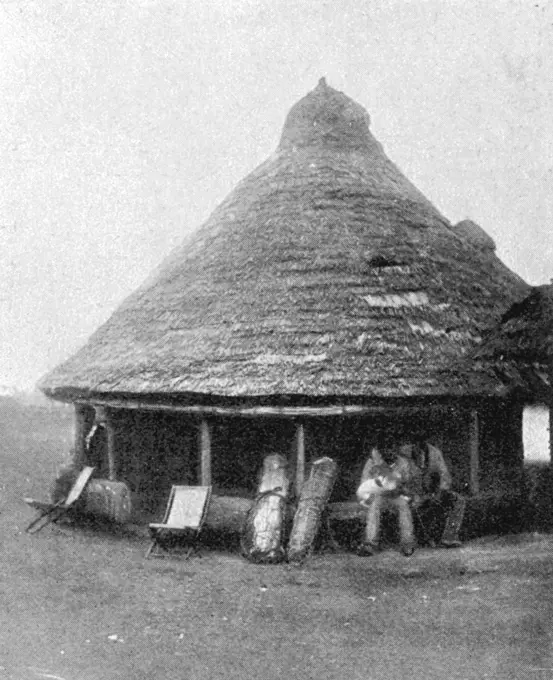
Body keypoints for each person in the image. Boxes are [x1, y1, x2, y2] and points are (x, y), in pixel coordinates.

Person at [400, 439, 466, 549]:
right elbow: (399, 480)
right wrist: (410, 495)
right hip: (411, 495)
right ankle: (414, 538)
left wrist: (439, 492)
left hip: (431, 492)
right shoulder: (403, 453)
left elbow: (444, 476)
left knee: (458, 500)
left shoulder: (435, 453)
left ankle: (449, 537)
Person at [356, 447, 421, 557]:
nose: (389, 452)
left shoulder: (402, 462)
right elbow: (364, 482)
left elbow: (407, 483)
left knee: (403, 506)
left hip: (396, 496)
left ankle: (407, 544)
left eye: (392, 449)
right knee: (374, 506)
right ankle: (370, 544)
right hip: (378, 495)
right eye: (385, 449)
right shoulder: (372, 462)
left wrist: (400, 489)